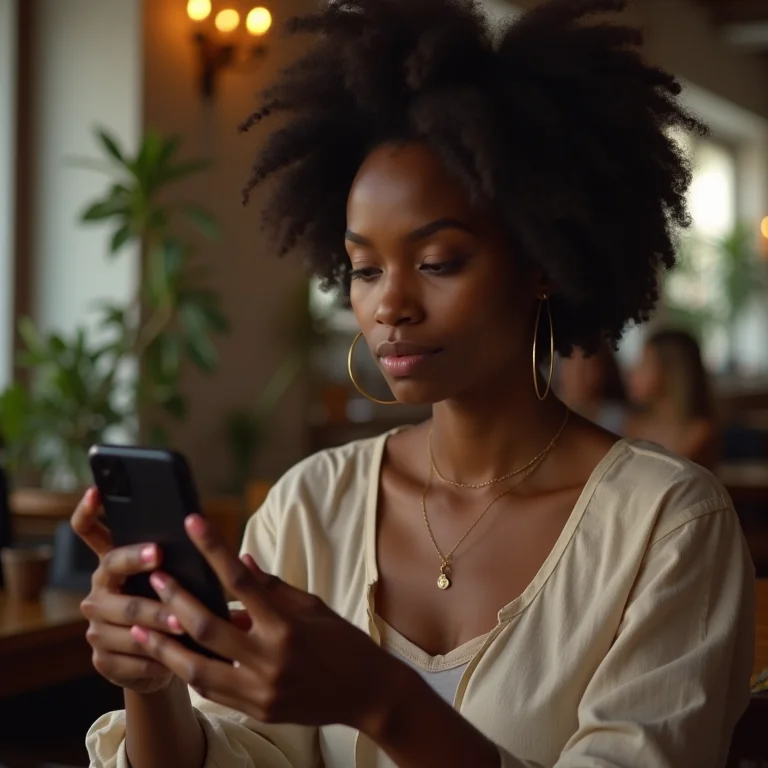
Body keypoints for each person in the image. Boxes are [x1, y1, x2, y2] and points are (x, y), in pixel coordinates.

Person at [73, 1, 754, 767]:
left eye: (437, 263)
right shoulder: (310, 505)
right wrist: (154, 683)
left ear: (541, 262)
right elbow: (241, 754)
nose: (389, 304)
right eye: (365, 269)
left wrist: (382, 699)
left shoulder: (666, 525)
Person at [626, 329, 719, 470]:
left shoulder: (699, 432)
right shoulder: (632, 425)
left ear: (669, 370)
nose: (633, 372)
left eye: (644, 363)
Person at [557, 344, 628, 433]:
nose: (578, 376)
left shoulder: (620, 420)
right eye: (570, 365)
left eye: (587, 367)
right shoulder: (548, 415)